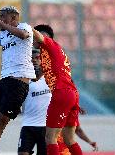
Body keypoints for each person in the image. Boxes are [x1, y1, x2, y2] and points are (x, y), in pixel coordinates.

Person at [0, 6, 36, 155]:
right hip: (4, 81)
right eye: (0, 17)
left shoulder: (24, 27)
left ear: (14, 18)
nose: (0, 20)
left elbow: (22, 35)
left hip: (18, 83)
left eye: (3, 17)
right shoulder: (3, 35)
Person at [18, 49, 98, 155]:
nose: (34, 61)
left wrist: (75, 105)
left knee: (60, 142)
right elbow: (18, 98)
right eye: (31, 59)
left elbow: (68, 92)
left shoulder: (53, 79)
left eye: (37, 58)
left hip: (46, 126)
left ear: (43, 61)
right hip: (28, 125)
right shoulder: (24, 80)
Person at [32, 24, 82, 155]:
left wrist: (21, 25)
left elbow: (36, 34)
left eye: (34, 37)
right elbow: (37, 77)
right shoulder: (49, 55)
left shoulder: (51, 45)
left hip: (61, 92)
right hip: (71, 93)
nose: (32, 40)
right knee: (69, 139)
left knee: (50, 138)